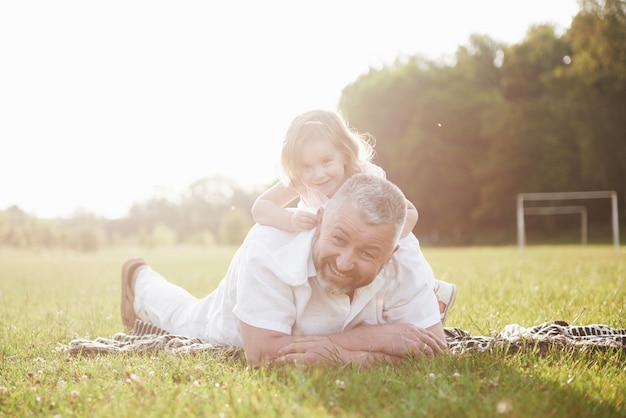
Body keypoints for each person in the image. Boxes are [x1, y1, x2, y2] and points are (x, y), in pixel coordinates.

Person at [121, 174, 447, 366]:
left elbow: (433, 348)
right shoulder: (268, 247)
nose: (345, 261)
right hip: (234, 329)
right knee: (181, 316)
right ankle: (140, 279)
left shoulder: (405, 254)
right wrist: (374, 340)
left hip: (303, 329)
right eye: (339, 238)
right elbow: (263, 351)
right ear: (320, 218)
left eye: (367, 253)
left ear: (392, 252)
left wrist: (339, 354)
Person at [251, 109, 457, 324]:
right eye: (306, 166)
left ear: (345, 154)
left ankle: (429, 294)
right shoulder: (301, 182)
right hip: (327, 251)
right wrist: (290, 220)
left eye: (326, 161)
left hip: (366, 246)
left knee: (405, 247)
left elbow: (409, 213)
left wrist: (384, 243)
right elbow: (260, 207)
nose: (318, 174)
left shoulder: (366, 176)